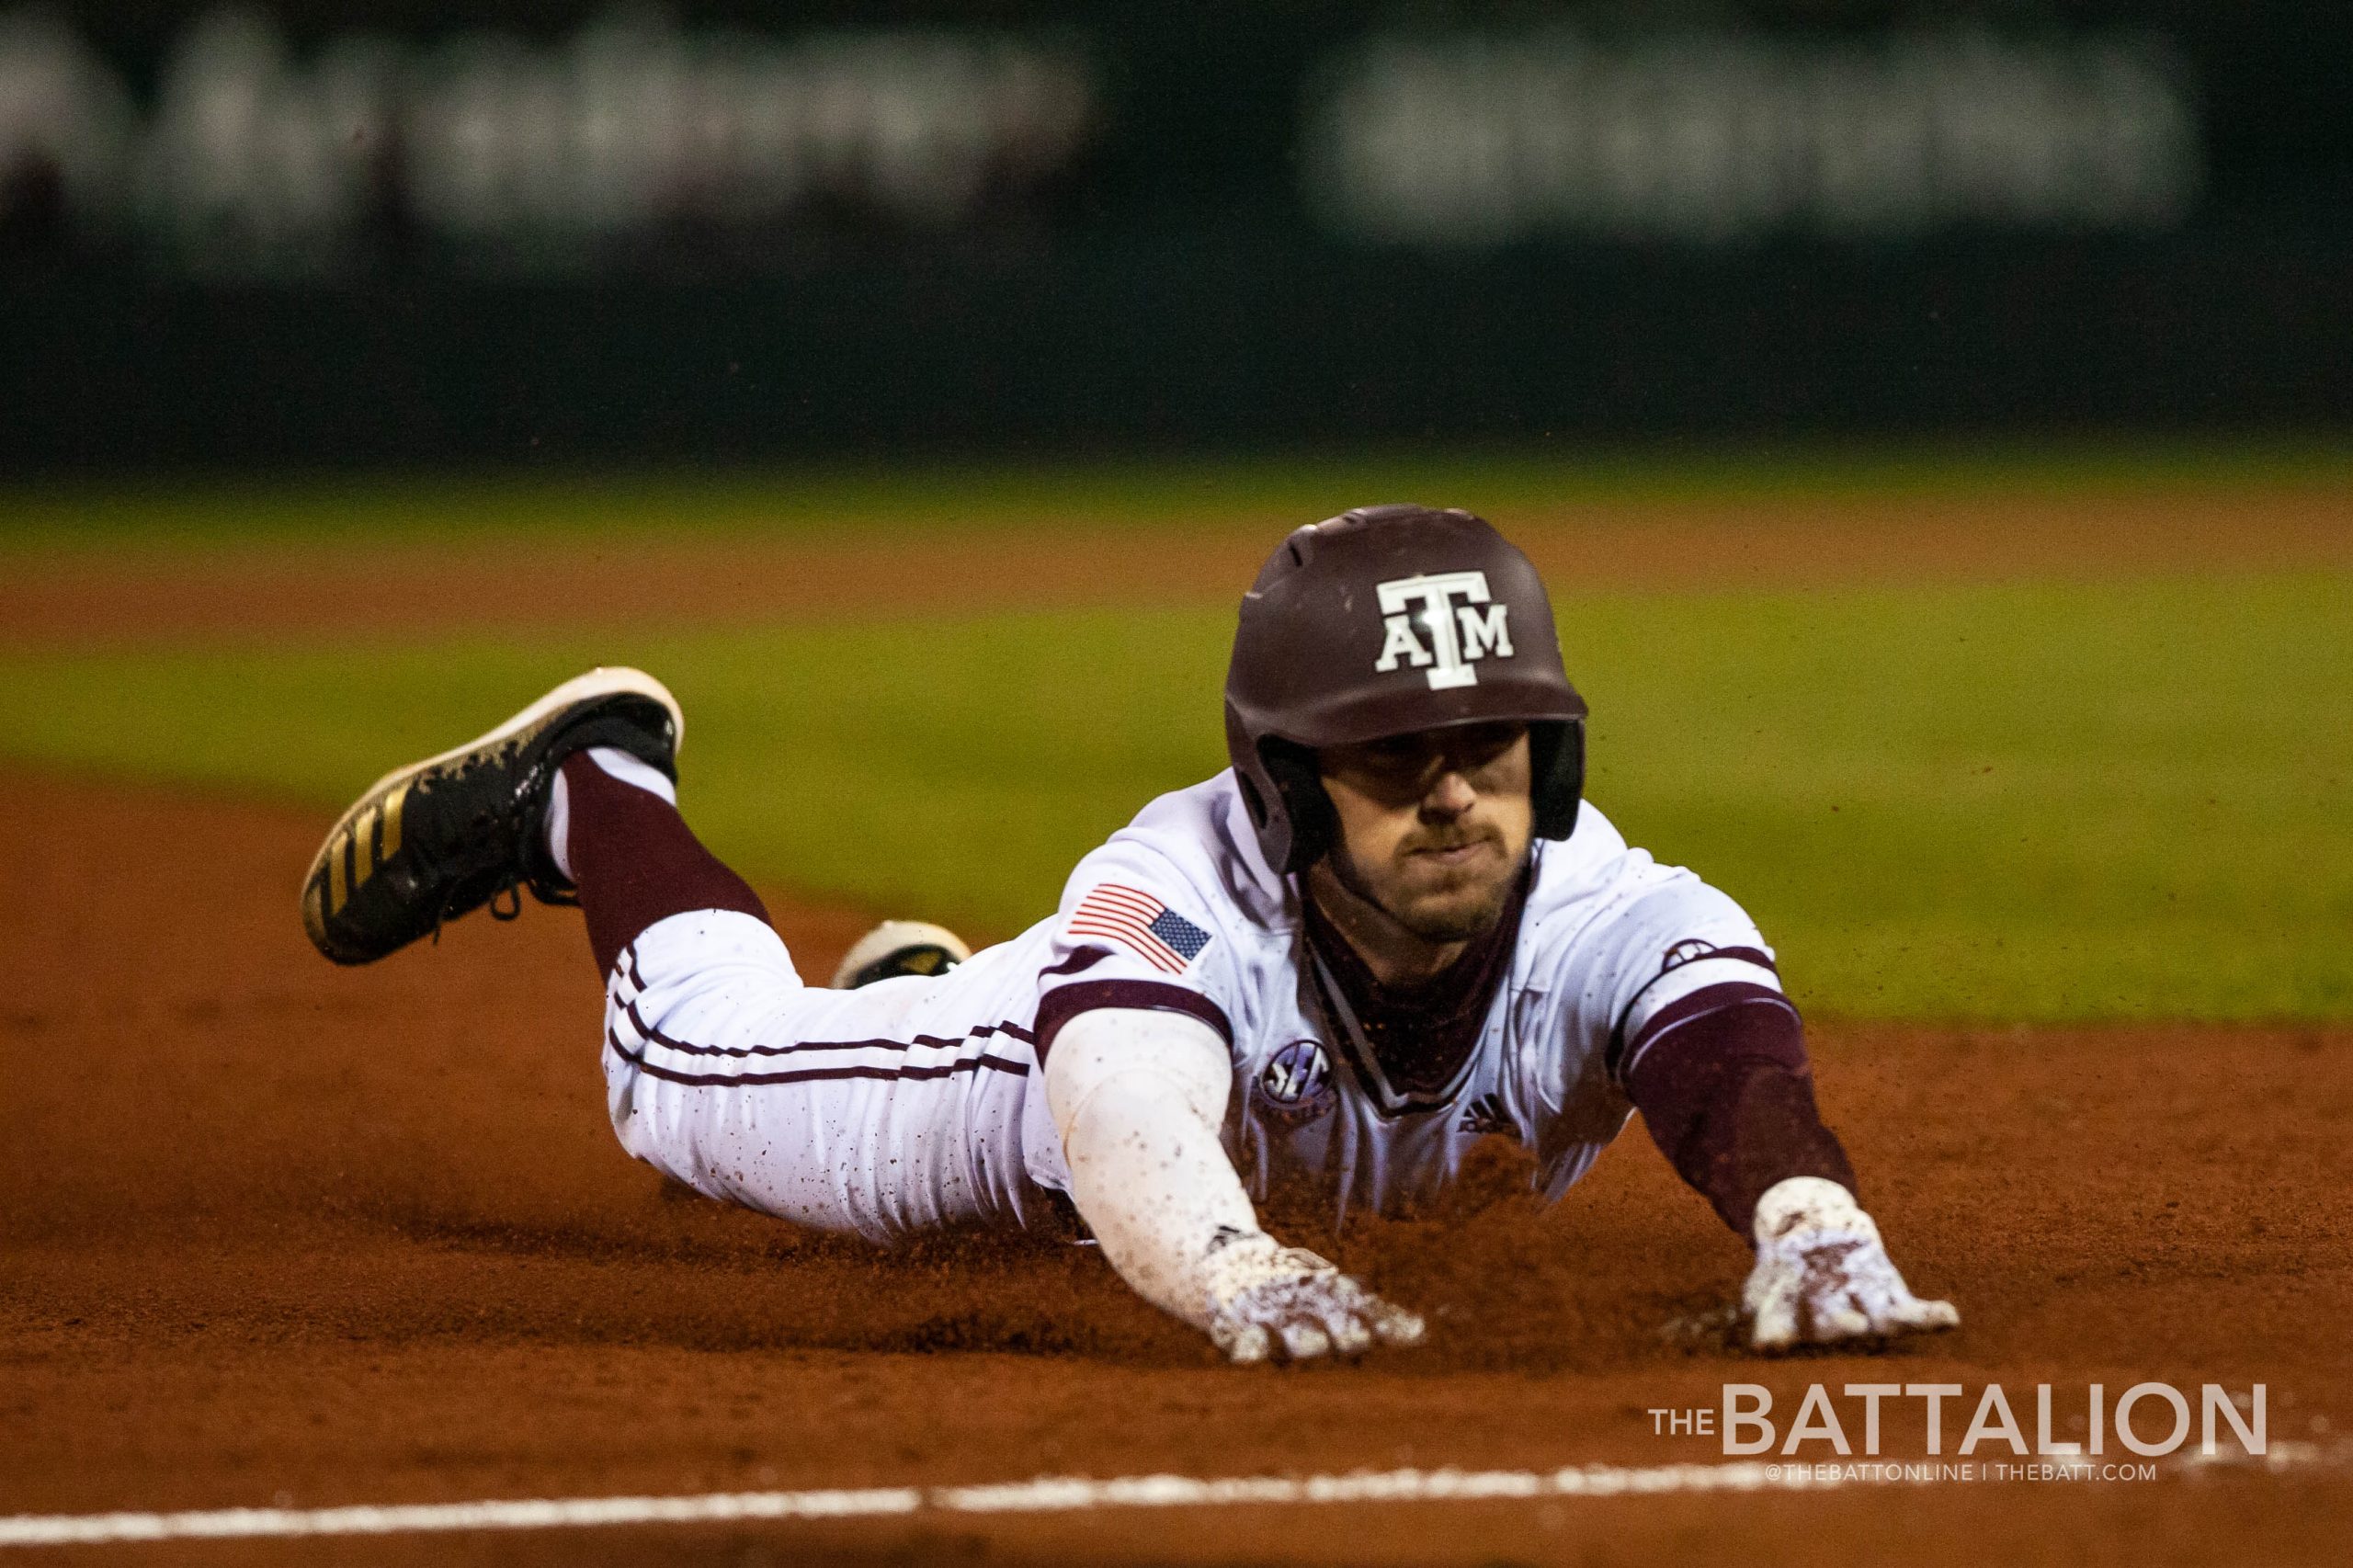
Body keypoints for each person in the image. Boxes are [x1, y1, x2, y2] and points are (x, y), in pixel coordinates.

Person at [302, 504, 1957, 1362]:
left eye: (1493, 743)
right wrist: (1235, 1269)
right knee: (682, 1077)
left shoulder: (1604, 904)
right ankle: (596, 784)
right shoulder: (1176, 892)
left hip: (1176, 1151)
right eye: (1394, 755)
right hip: (1033, 1108)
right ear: (1289, 783)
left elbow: (1723, 1037)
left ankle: (906, 975)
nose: (1455, 794)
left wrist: (1812, 1227)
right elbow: (1113, 1108)